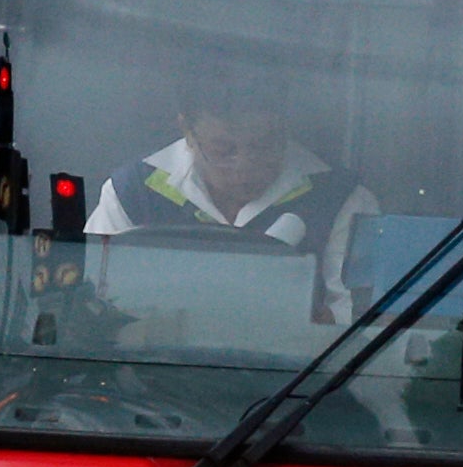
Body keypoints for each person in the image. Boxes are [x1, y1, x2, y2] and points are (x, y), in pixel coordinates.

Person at [88, 68, 381, 319]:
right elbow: (90, 304)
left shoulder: (341, 199)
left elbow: (358, 325)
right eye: (224, 151)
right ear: (187, 132)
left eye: (264, 146)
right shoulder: (132, 194)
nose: (245, 168)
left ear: (285, 127)